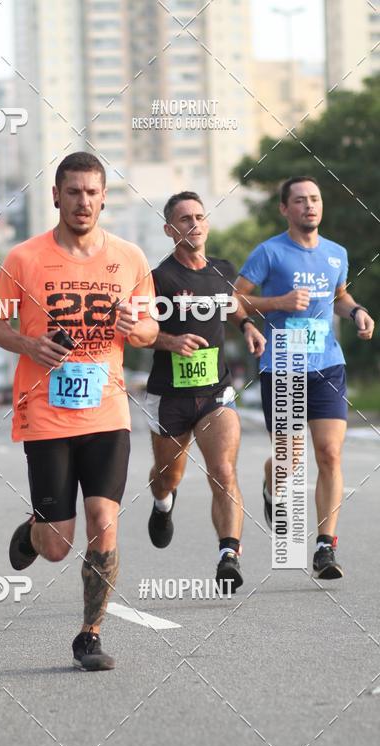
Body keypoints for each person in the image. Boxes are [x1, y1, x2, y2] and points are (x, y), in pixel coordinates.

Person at [0, 151, 158, 671]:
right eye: (73, 191)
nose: (83, 201)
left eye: (92, 192)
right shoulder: (24, 259)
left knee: (104, 519)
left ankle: (90, 634)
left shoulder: (130, 258)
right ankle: (34, 529)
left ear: (104, 198)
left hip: (107, 412)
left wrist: (136, 328)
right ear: (56, 196)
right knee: (57, 545)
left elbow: (150, 329)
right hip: (46, 413)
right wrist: (28, 344)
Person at [234, 176, 375, 578]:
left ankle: (325, 546)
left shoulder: (336, 253)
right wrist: (277, 302)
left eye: (314, 199)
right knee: (289, 460)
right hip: (283, 364)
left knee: (329, 453)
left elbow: (338, 296)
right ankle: (271, 484)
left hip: (328, 364)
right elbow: (235, 299)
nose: (309, 206)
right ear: (285, 209)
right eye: (299, 200)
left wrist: (356, 311)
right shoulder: (269, 252)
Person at [144, 191, 265, 592]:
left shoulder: (223, 269)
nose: (194, 224)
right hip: (170, 395)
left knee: (223, 471)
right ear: (169, 229)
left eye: (199, 216)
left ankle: (228, 554)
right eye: (184, 219)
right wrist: (170, 341)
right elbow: (137, 332)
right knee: (168, 476)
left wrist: (246, 325)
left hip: (216, 392)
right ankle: (163, 503)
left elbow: (231, 304)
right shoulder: (158, 278)